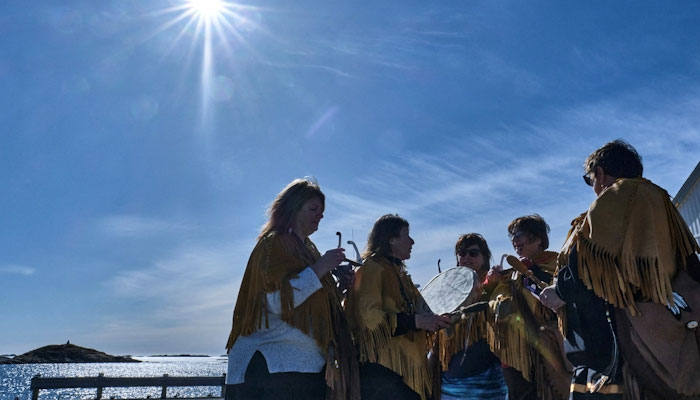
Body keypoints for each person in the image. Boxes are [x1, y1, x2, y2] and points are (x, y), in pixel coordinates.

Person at [539, 140, 700, 399]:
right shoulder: (660, 201)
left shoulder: (617, 195)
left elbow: (587, 262)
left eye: (589, 179)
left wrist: (562, 291)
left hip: (621, 349)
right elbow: (690, 261)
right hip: (664, 339)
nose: (593, 187)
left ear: (600, 173)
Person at [224, 178, 359, 400]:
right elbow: (275, 303)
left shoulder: (309, 251)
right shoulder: (273, 245)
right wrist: (321, 267)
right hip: (270, 368)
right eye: (313, 209)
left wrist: (339, 288)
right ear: (293, 208)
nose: (320, 216)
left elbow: (311, 301)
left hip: (305, 371)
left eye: (322, 212)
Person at [346, 214, 451, 400]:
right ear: (391, 239)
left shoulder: (401, 274)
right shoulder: (371, 268)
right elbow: (368, 318)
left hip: (404, 372)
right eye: (407, 235)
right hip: (381, 373)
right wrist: (416, 321)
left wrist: (437, 319)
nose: (412, 241)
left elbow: (422, 310)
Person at [488, 215, 570, 400]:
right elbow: (492, 305)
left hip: (551, 346)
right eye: (512, 236)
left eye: (519, 234)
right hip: (515, 353)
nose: (515, 240)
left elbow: (560, 291)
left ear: (538, 238)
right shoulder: (511, 274)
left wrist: (531, 271)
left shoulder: (557, 262)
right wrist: (491, 282)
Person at [436, 233, 509, 400]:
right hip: (452, 375)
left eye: (473, 253)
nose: (467, 257)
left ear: (485, 258)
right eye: (462, 253)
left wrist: (490, 284)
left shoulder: (498, 282)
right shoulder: (447, 287)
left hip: (486, 372)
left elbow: (499, 309)